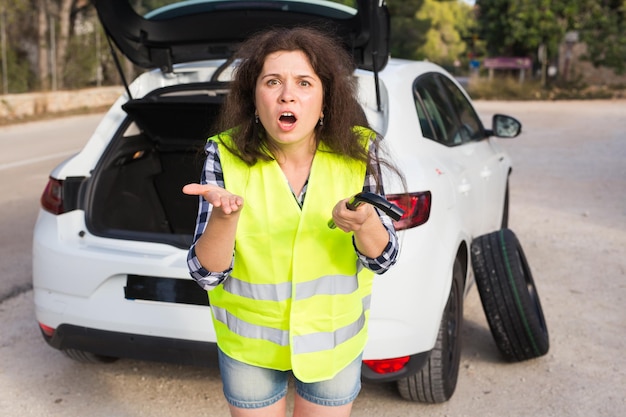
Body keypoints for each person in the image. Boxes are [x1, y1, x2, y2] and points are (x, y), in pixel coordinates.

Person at [183, 26, 401, 417]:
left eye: (304, 82)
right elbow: (206, 274)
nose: (287, 94)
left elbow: (383, 260)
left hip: (333, 347)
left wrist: (365, 223)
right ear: (254, 99)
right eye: (272, 82)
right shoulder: (224, 155)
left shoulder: (359, 152)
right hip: (251, 349)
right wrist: (223, 218)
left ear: (324, 100)